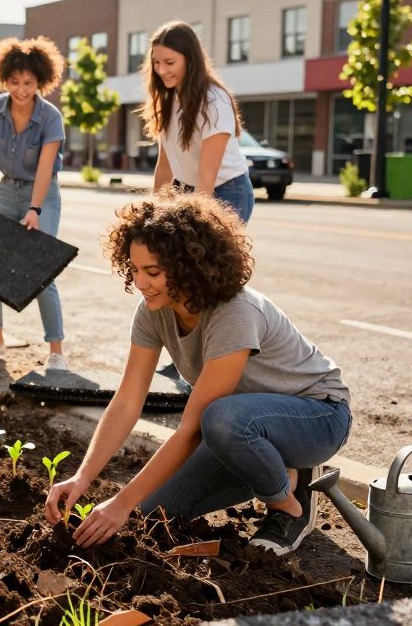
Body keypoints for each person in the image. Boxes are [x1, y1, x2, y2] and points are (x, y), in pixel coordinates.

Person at [45, 193, 351, 556]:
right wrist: (83, 478)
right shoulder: (152, 312)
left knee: (218, 419)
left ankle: (287, 502)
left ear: (189, 265)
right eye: (135, 269)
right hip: (241, 428)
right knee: (152, 513)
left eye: (153, 272)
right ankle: (276, 471)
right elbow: (127, 401)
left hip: (318, 415)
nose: (140, 283)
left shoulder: (234, 312)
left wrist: (120, 501)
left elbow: (192, 428)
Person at [0, 37, 69, 371]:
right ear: (3, 79)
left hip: (43, 193)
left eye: (29, 83)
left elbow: (46, 169)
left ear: (41, 82)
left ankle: (56, 352)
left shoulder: (50, 117)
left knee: (40, 270)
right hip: (6, 190)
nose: (21, 90)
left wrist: (34, 210)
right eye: (14, 82)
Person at [143, 21, 256, 223]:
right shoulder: (169, 99)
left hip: (226, 193)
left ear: (190, 60)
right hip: (185, 191)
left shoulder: (214, 101)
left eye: (169, 63)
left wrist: (196, 220)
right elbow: (165, 165)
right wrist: (152, 213)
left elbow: (207, 176)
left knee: (205, 254)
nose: (161, 70)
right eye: (156, 62)